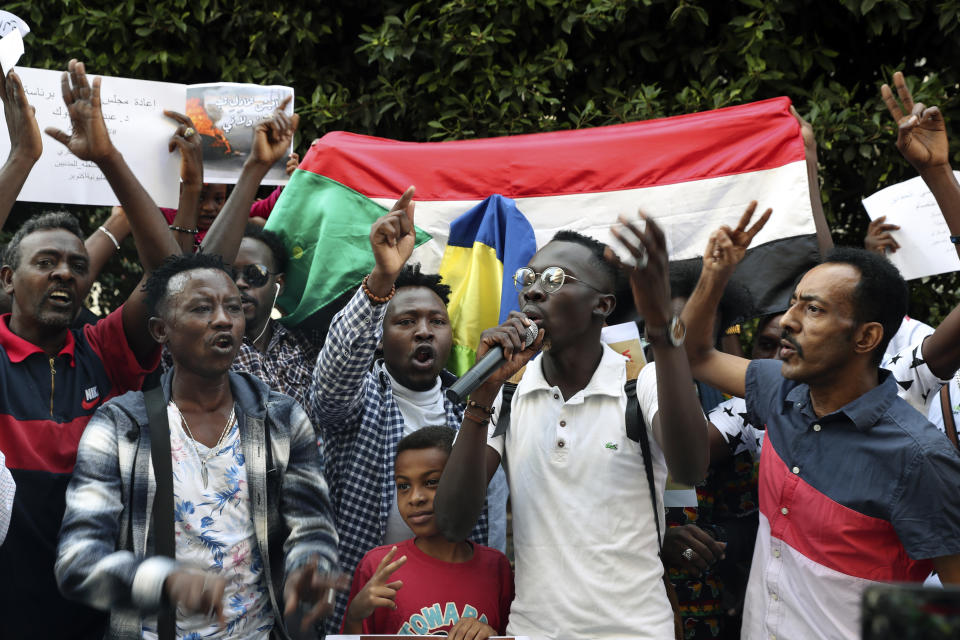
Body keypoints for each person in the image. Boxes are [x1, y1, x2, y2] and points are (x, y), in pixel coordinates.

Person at [680, 203, 960, 640]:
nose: (789, 321)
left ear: (866, 337)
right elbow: (697, 355)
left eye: (813, 310)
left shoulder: (919, 458)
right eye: (794, 303)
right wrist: (714, 275)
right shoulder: (777, 387)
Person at [435, 215, 711, 639]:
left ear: (602, 304)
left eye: (555, 278)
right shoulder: (507, 393)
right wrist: (483, 396)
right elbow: (453, 523)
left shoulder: (643, 384)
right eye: (528, 277)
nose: (532, 288)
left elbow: (692, 468)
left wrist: (660, 329)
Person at [56, 252, 341, 639]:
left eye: (233, 308)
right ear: (161, 330)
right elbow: (77, 562)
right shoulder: (119, 426)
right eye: (202, 308)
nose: (223, 319)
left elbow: (312, 529)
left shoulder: (283, 419)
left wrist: (311, 570)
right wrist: (164, 582)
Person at [0, 60, 183, 639]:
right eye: (45, 263)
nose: (65, 275)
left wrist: (107, 156)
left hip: (95, 616)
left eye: (78, 266)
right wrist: (22, 159)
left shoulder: (105, 350)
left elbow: (173, 279)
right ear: (7, 280)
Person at [306, 187, 496, 632]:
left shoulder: (474, 411)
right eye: (406, 321)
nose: (424, 332)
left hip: (451, 610)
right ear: (380, 335)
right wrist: (379, 279)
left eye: (436, 321)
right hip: (362, 605)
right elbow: (332, 382)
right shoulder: (358, 398)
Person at [342, 426, 512, 637]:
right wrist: (354, 616)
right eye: (403, 486)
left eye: (431, 482)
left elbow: (511, 631)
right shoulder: (379, 566)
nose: (415, 498)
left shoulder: (496, 567)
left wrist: (490, 634)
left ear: (460, 483)